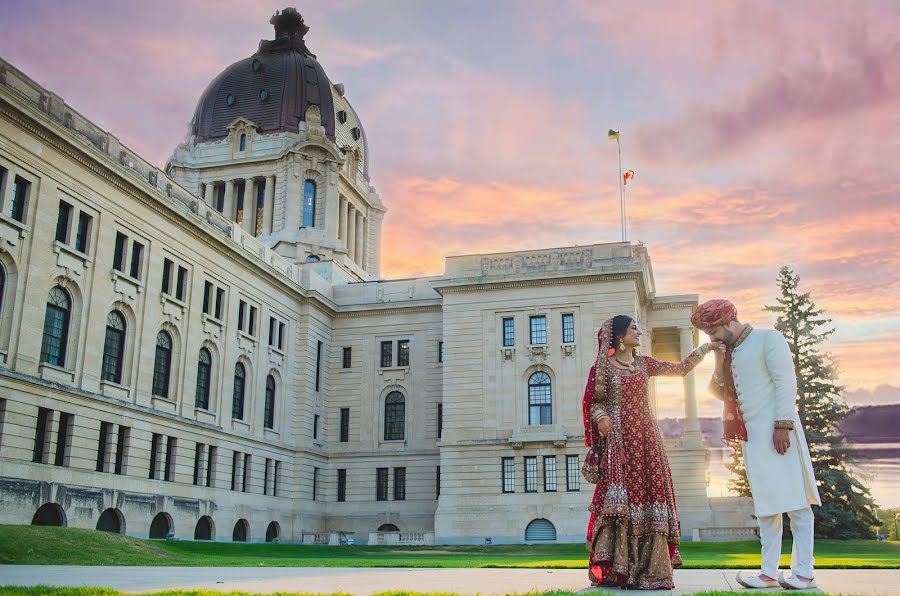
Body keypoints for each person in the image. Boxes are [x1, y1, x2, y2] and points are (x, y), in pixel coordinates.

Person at [691, 299, 821, 590]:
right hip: (753, 438)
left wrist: (783, 425)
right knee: (766, 506)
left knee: (797, 504)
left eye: (711, 330)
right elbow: (717, 390)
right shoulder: (729, 351)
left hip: (778, 431)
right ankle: (768, 573)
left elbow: (786, 382)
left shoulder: (768, 338)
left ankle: (804, 572)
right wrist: (718, 358)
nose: (709, 337)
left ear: (726, 322)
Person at [581, 315, 713, 590]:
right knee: (621, 503)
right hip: (619, 442)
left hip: (647, 439)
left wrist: (706, 349)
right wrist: (602, 418)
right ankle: (621, 570)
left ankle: (652, 572)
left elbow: (681, 368)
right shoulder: (603, 369)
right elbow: (594, 402)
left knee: (651, 497)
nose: (639, 332)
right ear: (619, 336)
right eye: (633, 328)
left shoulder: (644, 364)